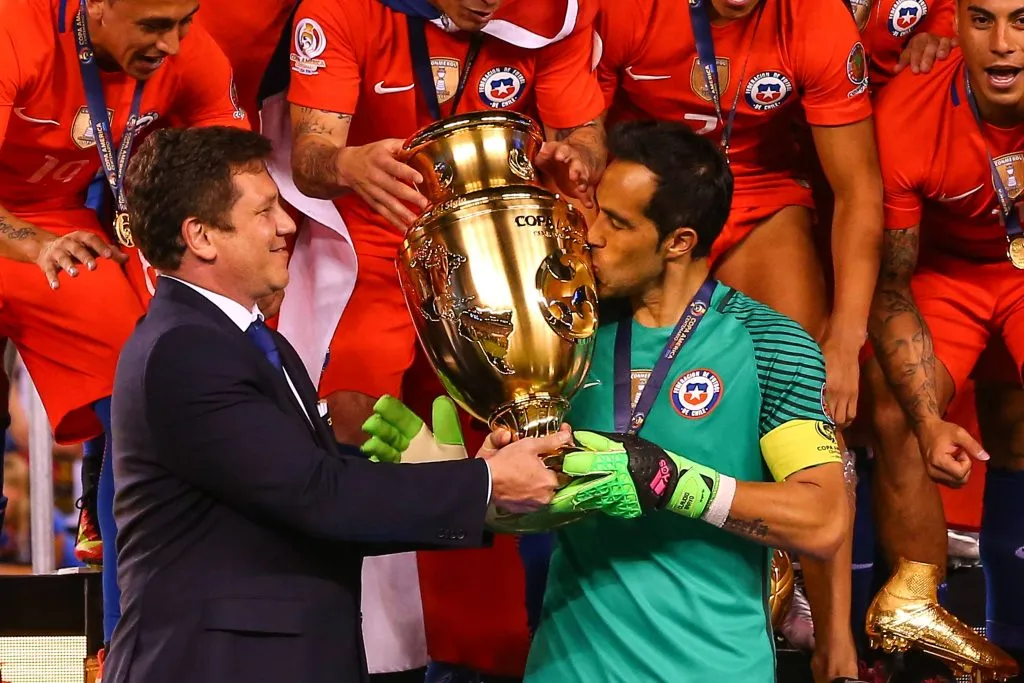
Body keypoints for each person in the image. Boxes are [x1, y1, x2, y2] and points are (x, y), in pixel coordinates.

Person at [366, 120, 850, 682]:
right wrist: (465, 486)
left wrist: (669, 481)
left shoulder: (767, 343)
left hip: (711, 667)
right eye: (595, 211)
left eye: (618, 223)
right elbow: (546, 506)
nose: (590, 234)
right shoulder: (563, 336)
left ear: (679, 242)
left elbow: (823, 521)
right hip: (567, 667)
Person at [104, 125, 565, 683]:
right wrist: (483, 483)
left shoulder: (253, 342)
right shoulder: (185, 349)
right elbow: (315, 495)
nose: (287, 225)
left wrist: (474, 491)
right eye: (265, 211)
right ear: (201, 236)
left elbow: (312, 493)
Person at [284, 0, 606, 676]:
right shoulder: (345, 11)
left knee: (519, 425)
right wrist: (348, 165)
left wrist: (574, 156)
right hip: (382, 233)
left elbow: (587, 136)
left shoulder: (551, 11)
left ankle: (494, 652)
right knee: (351, 412)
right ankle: (346, 637)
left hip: (508, 248)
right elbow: (309, 155)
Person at [593, 0, 883, 678]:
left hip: (757, 195)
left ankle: (834, 636)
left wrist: (843, 335)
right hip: (641, 204)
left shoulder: (815, 20)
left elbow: (860, 189)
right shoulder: (629, 10)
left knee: (815, 406)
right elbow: (580, 134)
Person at [0, 0, 248, 654]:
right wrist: (28, 244)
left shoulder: (187, 51)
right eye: (153, 26)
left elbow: (234, 175)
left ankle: (126, 646)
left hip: (58, 224)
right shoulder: (14, 30)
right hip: (20, 231)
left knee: (142, 391)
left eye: (182, 21)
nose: (170, 43)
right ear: (99, 4)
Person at [860, 0, 1024, 676]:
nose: (1004, 44)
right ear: (954, 23)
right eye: (983, 21)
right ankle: (922, 631)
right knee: (895, 402)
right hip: (946, 271)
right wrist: (930, 421)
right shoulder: (910, 108)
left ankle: (1012, 625)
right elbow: (892, 285)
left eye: (1023, 21)